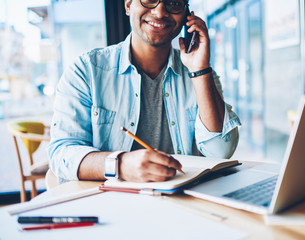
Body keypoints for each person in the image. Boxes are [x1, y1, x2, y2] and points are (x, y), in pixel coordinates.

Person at [47, 0, 241, 184]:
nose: (160, 12)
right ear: (128, 4)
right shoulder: (86, 71)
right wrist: (120, 165)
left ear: (186, 17)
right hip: (113, 206)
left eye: (173, 3)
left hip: (185, 203)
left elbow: (220, 152)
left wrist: (200, 70)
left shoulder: (201, 73)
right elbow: (62, 153)